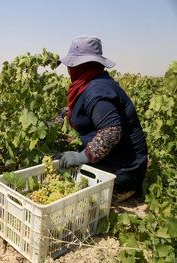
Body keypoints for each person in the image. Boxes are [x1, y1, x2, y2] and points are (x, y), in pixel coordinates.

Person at [56, 35, 148, 197]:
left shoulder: (97, 90)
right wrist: (53, 125)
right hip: (115, 160)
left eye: (72, 65)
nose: (69, 69)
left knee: (66, 183)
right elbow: (75, 109)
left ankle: (124, 191)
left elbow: (111, 132)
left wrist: (81, 156)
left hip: (123, 169)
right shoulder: (91, 83)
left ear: (82, 66)